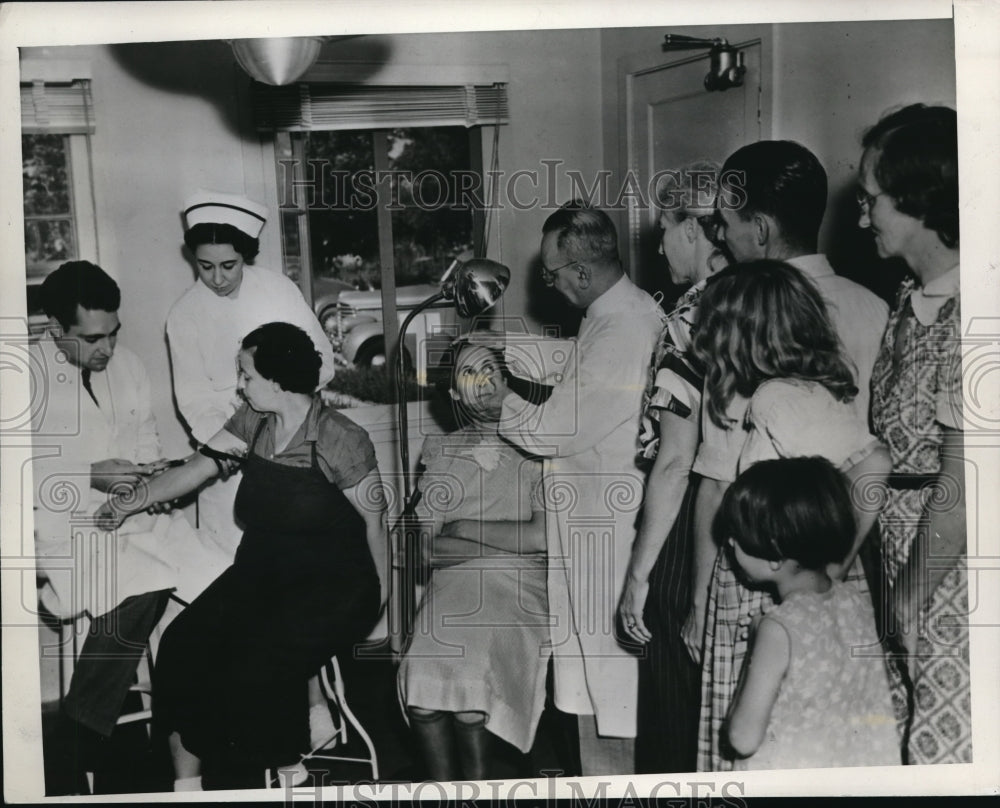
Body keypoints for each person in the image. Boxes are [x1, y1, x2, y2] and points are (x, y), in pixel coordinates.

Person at [99, 322, 387, 790]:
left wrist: (379, 601)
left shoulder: (340, 438)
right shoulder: (254, 421)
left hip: (332, 583)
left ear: (276, 380)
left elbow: (376, 522)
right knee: (180, 644)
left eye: (247, 375)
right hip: (262, 572)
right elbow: (194, 470)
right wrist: (129, 500)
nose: (240, 384)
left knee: (253, 660)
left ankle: (287, 766)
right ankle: (187, 788)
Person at [685, 139, 889, 691]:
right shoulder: (875, 307)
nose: (718, 235)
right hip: (838, 565)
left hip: (762, 572)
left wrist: (700, 593)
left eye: (724, 222)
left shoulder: (740, 316)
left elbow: (717, 480)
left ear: (762, 229)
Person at [686, 262, 891, 771]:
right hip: (785, 582)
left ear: (744, 336)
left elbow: (874, 462)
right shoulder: (796, 391)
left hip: (777, 588)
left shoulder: (780, 397)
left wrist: (839, 559)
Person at [496, 201, 665, 774]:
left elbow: (553, 430)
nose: (550, 284)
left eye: (553, 273)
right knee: (593, 676)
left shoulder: (624, 326)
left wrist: (498, 398)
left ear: (583, 272)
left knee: (610, 683)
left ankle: (613, 781)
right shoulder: (612, 314)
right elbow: (574, 365)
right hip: (593, 522)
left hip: (608, 530)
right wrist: (505, 352)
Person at [31, 261, 229, 745]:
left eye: (114, 334)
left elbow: (146, 449)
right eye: (93, 338)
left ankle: (202, 732)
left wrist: (153, 483)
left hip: (137, 520)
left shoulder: (131, 367)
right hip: (63, 529)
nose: (108, 349)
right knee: (147, 582)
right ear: (56, 328)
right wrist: (88, 476)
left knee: (226, 580)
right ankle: (78, 739)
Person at [859, 103, 970, 764]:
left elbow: (963, 487)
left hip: (950, 576)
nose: (863, 215)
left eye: (872, 199)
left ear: (920, 201)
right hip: (900, 558)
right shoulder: (908, 296)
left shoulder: (977, 311)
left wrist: (905, 601)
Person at [398, 340, 553, 780]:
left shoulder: (537, 444)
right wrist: (508, 541)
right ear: (454, 394)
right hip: (454, 583)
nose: (483, 380)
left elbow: (541, 538)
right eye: (469, 374)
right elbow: (424, 549)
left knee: (470, 700)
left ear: (506, 378)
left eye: (489, 368)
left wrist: (462, 528)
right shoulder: (442, 452)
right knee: (422, 693)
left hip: (518, 585)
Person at [618, 160, 727, 773]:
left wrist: (639, 578)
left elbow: (676, 460)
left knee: (675, 701)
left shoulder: (690, 318)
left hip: (693, 527)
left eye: (664, 229)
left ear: (694, 228)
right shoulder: (766, 295)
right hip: (760, 518)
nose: (659, 245)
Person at [166, 190, 336, 557]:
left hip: (295, 445)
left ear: (246, 256)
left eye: (229, 265)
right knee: (232, 569)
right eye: (205, 265)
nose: (217, 277)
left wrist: (280, 401)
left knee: (297, 563)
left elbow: (322, 361)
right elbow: (195, 400)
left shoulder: (278, 290)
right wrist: (231, 445)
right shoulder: (184, 315)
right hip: (232, 459)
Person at [720, 457, 899, 770]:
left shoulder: (778, 628)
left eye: (738, 534)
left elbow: (742, 738)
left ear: (775, 554)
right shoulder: (854, 601)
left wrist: (752, 650)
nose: (730, 541)